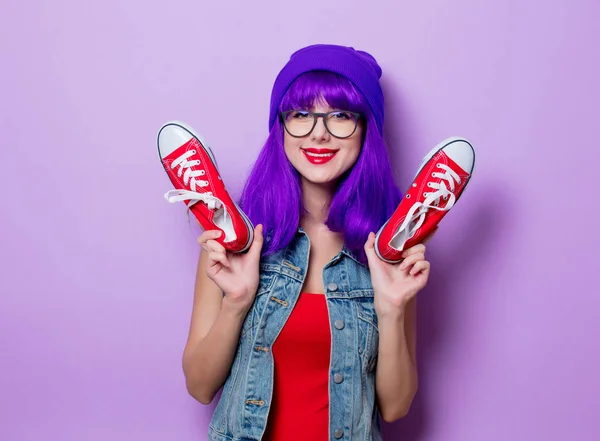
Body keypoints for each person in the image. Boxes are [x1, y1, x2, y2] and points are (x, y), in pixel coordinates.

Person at [182, 44, 433, 441]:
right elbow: (198, 385)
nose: (319, 132)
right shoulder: (234, 237)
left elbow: (396, 405)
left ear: (366, 129)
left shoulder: (390, 249)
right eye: (301, 114)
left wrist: (391, 309)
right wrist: (236, 304)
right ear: (281, 126)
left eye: (341, 116)